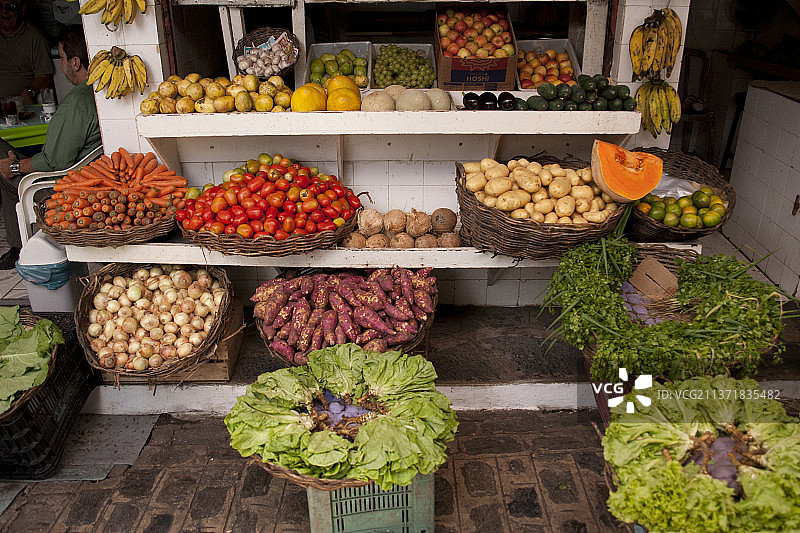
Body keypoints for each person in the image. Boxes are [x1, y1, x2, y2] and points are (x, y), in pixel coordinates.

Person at [0, 25, 101, 269]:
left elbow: (54, 162)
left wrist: (14, 166)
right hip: (86, 168)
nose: (62, 64)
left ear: (75, 63)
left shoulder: (76, 102)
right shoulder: (97, 92)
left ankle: (18, 248)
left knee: (5, 173)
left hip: (65, 184)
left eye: (63, 58)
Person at [0, 0, 54, 104]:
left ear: (22, 9)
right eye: (0, 6)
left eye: (11, 6)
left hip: (18, 107)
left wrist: (29, 92)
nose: (4, 11)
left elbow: (43, 77)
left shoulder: (34, 37)